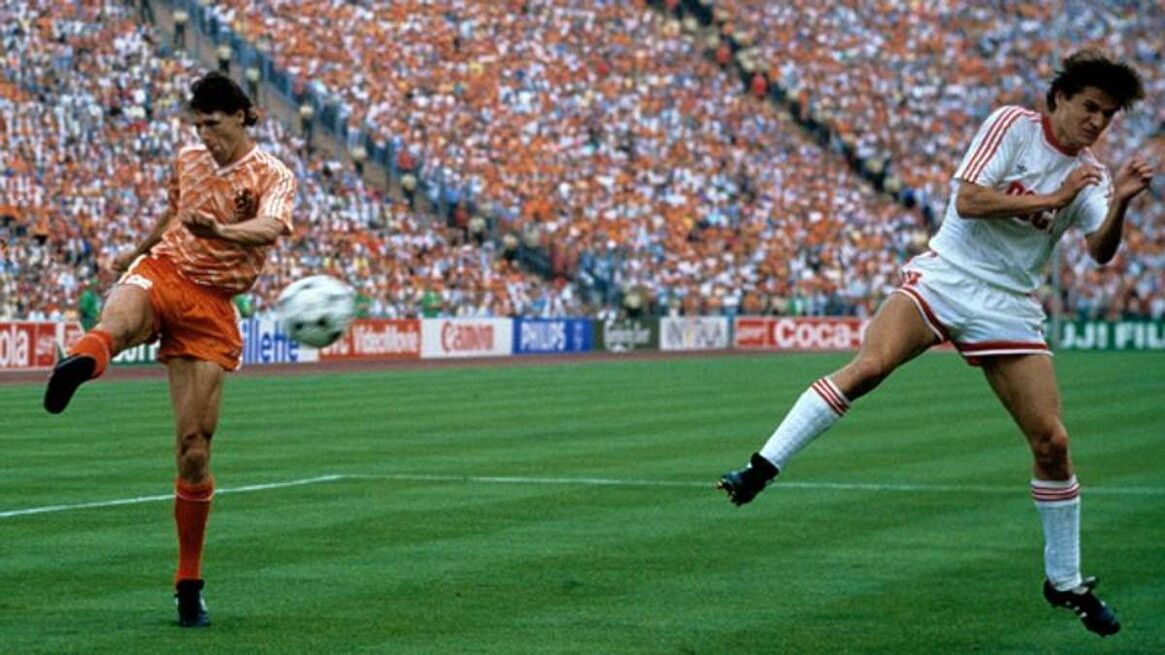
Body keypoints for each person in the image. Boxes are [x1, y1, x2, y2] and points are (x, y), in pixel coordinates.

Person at [716, 49, 1154, 638]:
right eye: (1090, 107)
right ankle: (760, 467)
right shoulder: (1012, 127)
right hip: (947, 276)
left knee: (1053, 442)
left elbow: (1100, 251)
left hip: (1009, 304)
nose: (1098, 123)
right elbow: (969, 200)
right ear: (1058, 99)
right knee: (870, 367)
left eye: (1108, 115)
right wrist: (1051, 199)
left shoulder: (1092, 175)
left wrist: (1120, 199)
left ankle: (1066, 582)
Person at [43, 71, 297, 628]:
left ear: (240, 116)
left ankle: (188, 583)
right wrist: (134, 251)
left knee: (195, 449)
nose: (204, 135)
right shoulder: (187, 159)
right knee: (121, 316)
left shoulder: (272, 173)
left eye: (212, 123)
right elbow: (174, 213)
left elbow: (271, 228)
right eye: (197, 125)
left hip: (213, 305)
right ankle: (83, 361)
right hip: (167, 270)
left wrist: (221, 235)